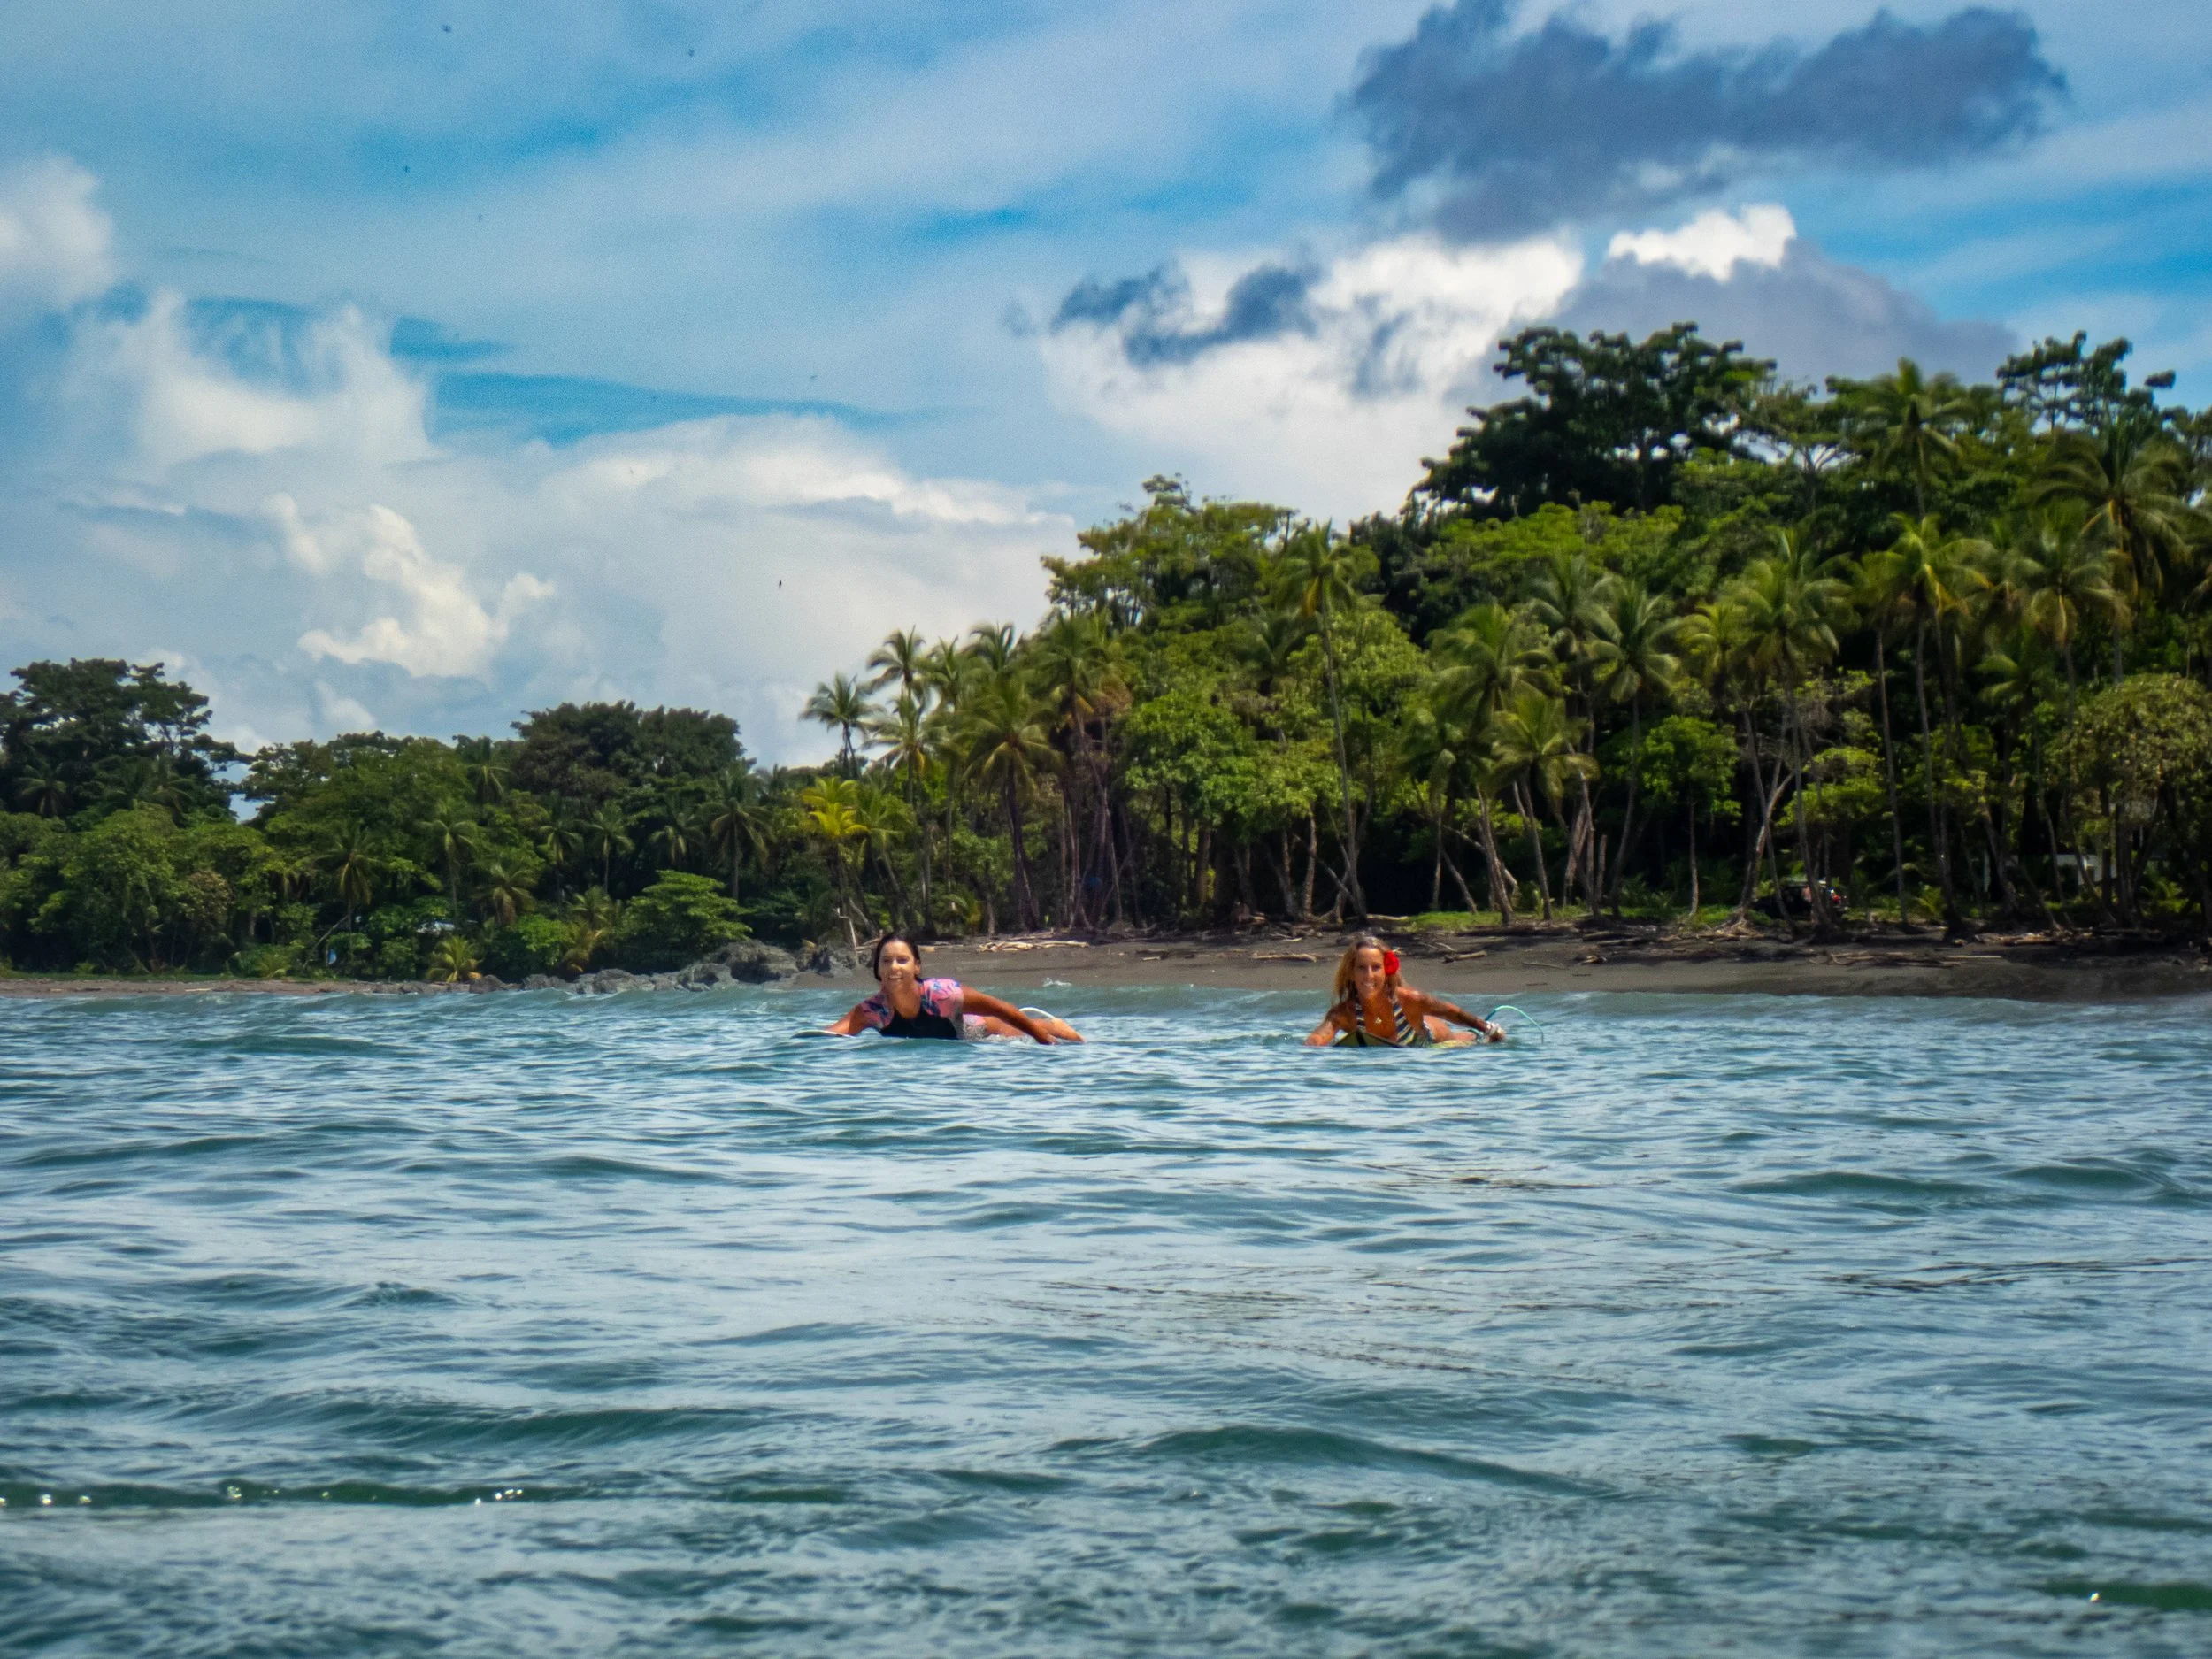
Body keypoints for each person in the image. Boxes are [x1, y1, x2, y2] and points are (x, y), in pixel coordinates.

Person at [825, 933, 1084, 1043]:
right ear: (877, 970)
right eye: (886, 961)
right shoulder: (871, 1012)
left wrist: (1045, 1040)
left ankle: (1054, 1025)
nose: (894, 967)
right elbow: (827, 1039)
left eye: (902, 960)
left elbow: (1002, 1009)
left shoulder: (942, 994)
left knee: (1028, 1031)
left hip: (979, 1032)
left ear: (917, 967)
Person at [1303, 935, 1504, 1048]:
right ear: (1351, 973)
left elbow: (1450, 1011)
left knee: (1460, 1040)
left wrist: (1486, 1028)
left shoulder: (1410, 1000)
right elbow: (1317, 1039)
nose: (1369, 976)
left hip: (1429, 1038)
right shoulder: (1344, 1014)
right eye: (1361, 968)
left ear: (1386, 970)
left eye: (1376, 967)